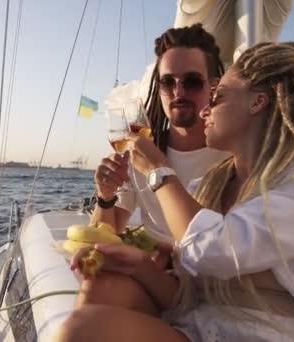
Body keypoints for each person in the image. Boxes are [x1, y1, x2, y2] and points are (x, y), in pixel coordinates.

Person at [57, 38, 294, 341]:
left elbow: (212, 249)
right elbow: (191, 287)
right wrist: (141, 264)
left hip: (272, 331)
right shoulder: (213, 183)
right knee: (100, 294)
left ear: (257, 102)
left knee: (84, 330)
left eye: (216, 95)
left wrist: (159, 172)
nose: (205, 107)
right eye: (167, 83)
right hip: (203, 322)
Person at [81, 24, 228, 311]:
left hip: (209, 286)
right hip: (153, 277)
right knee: (92, 293)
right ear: (157, 88)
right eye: (168, 82)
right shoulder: (143, 150)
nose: (178, 92)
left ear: (214, 86)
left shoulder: (232, 154)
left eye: (192, 82)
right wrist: (106, 195)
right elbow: (105, 232)